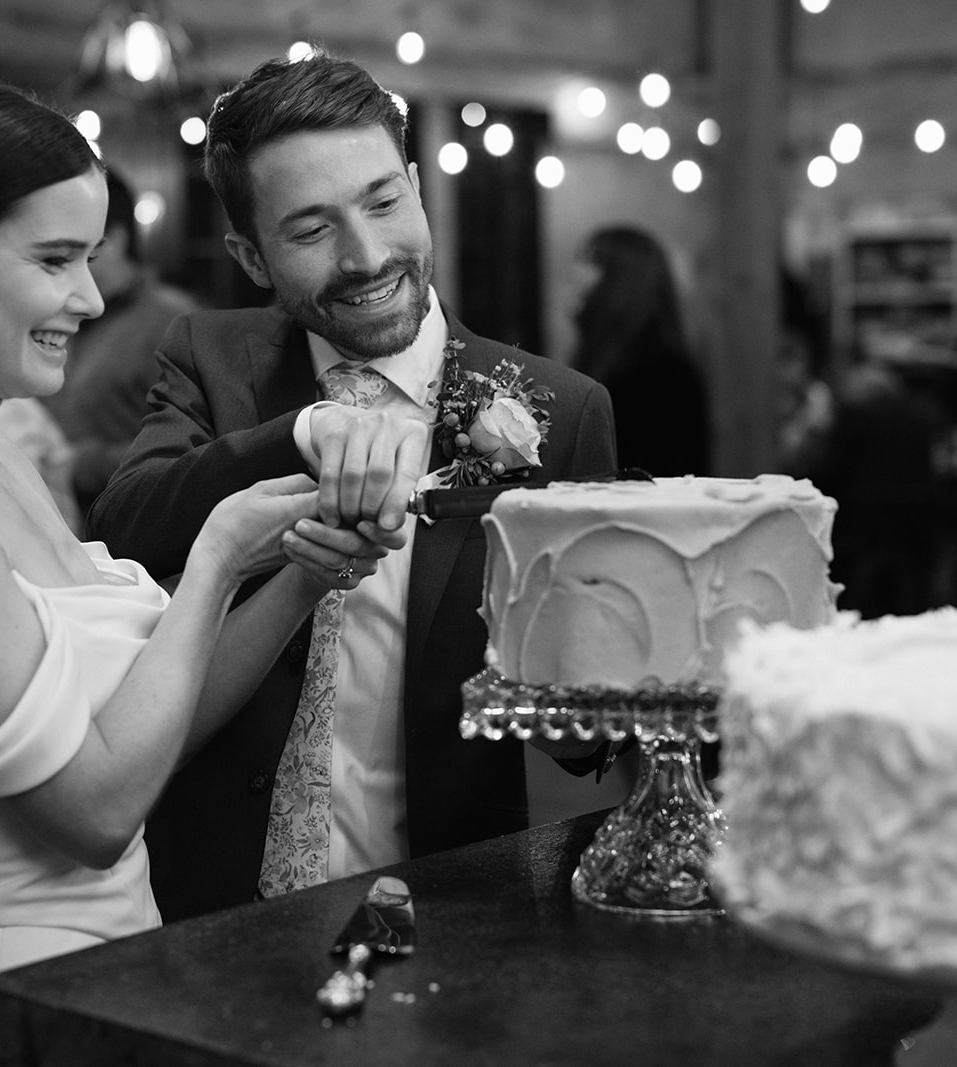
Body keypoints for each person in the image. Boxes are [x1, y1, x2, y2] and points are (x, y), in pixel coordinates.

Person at [0, 75, 377, 1067]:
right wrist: (219, 554)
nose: (91, 298)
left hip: (106, 976)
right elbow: (94, 813)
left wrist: (301, 579)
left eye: (91, 259)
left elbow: (142, 739)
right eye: (55, 259)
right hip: (0, 998)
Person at [89, 52, 619, 922]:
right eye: (310, 230)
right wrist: (299, 433)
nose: (367, 255)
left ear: (416, 185)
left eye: (383, 202)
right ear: (250, 256)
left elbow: (579, 741)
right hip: (216, 908)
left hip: (453, 906)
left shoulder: (562, 410)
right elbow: (125, 523)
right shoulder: (210, 360)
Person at [44, 169, 199, 519]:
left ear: (113, 239)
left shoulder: (172, 321)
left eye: (70, 250)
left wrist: (81, 463)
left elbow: (196, 449)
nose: (59, 267)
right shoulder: (59, 313)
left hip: (134, 537)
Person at [566, 225, 711, 476]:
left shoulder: (662, 371)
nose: (574, 272)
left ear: (621, 278)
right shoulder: (609, 359)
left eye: (589, 260)